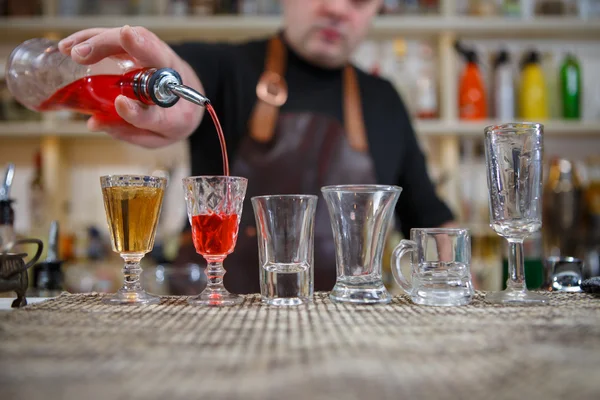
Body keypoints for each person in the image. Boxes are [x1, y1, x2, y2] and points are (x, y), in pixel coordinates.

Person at [58, 0, 455, 294]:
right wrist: (164, 88)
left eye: (358, 1)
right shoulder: (227, 68)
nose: (336, 8)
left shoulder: (384, 101)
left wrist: (458, 286)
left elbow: (434, 224)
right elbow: (182, 79)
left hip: (347, 333)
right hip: (209, 323)